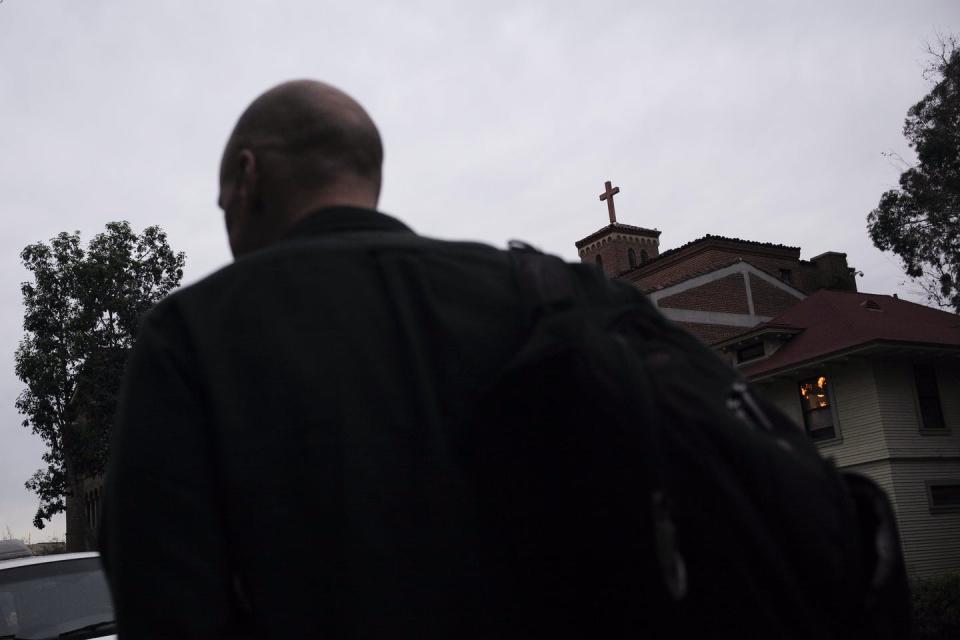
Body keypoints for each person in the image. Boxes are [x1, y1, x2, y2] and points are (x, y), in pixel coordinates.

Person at [100, 79, 580, 638]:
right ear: (367, 173)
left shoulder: (186, 338)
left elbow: (163, 606)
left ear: (248, 176)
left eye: (224, 204)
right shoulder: (539, 300)